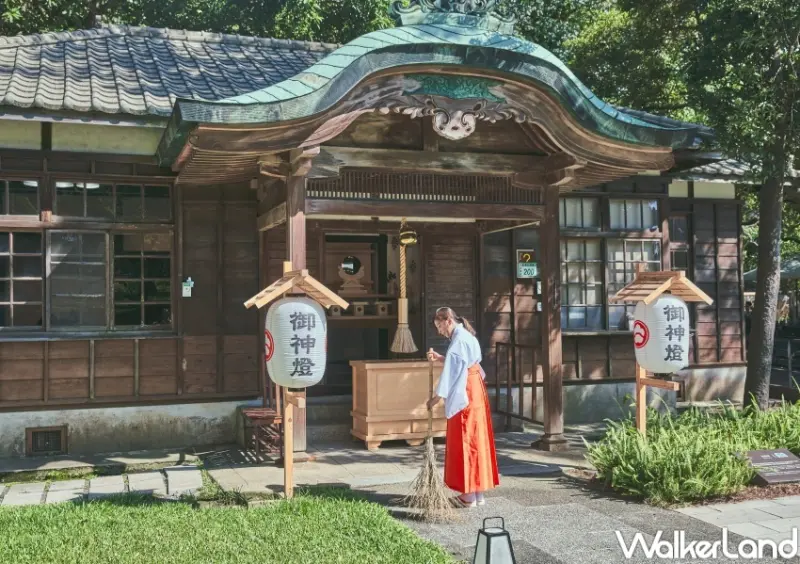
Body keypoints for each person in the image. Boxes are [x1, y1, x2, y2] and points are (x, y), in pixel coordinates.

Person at [426, 307, 500, 508]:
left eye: (439, 325)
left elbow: (453, 372)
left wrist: (436, 398)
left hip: (466, 393)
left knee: (465, 441)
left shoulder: (459, 341)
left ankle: (468, 495)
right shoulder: (466, 336)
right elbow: (460, 363)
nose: (439, 330)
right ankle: (477, 493)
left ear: (448, 320)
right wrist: (442, 358)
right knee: (477, 440)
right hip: (475, 389)